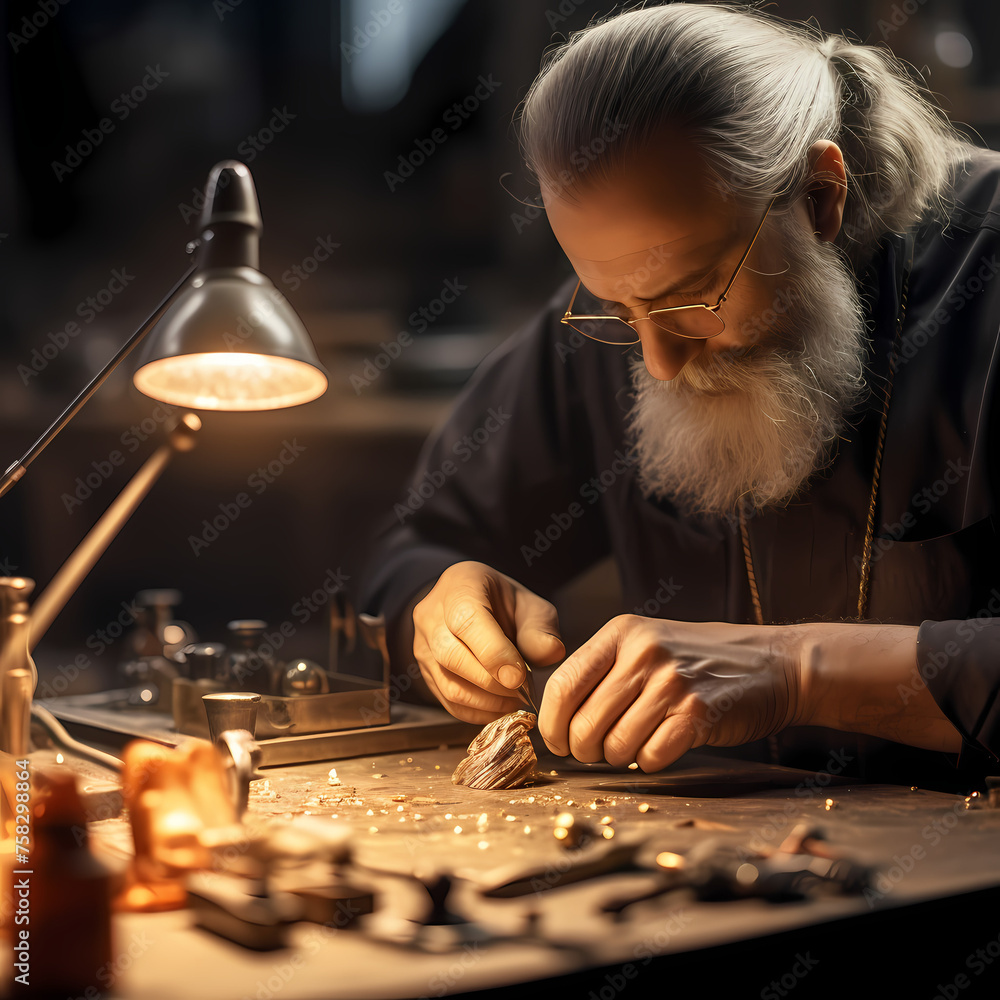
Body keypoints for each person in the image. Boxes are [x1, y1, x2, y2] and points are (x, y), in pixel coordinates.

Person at [361, 3, 1000, 787]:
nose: (658, 361)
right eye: (619, 309)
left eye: (695, 292)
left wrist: (799, 671)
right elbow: (411, 553)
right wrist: (441, 603)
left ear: (820, 194)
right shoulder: (627, 303)